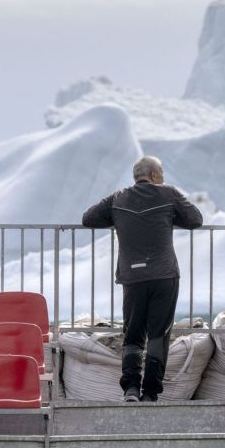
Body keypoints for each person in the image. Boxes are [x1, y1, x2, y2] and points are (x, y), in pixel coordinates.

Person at [82, 156, 203, 402]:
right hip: (164, 276)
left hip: (133, 277)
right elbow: (195, 219)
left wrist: (118, 219)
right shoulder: (168, 193)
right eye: (162, 174)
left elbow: (88, 218)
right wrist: (170, 216)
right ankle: (150, 393)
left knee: (133, 334)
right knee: (158, 334)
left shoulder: (118, 198)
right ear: (155, 175)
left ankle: (130, 388)